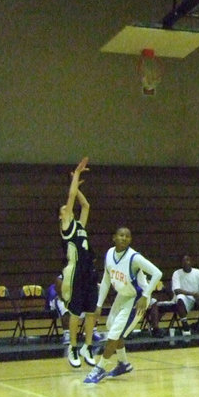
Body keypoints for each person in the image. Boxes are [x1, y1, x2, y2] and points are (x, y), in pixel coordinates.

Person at [83, 226, 162, 384]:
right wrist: (99, 304)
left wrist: (146, 295)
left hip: (137, 299)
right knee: (111, 326)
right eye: (121, 235)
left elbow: (157, 273)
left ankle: (100, 368)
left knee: (115, 334)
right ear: (114, 237)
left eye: (127, 236)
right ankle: (123, 363)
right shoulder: (110, 254)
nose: (124, 238)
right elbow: (106, 280)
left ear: (130, 240)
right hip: (123, 295)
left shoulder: (134, 257)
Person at [59, 157, 99, 368]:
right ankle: (73, 347)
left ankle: (88, 346)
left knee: (92, 311)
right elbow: (72, 197)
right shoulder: (66, 228)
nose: (67, 208)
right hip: (74, 273)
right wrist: (75, 176)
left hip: (89, 272)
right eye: (64, 209)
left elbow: (85, 204)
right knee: (75, 312)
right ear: (61, 217)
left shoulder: (80, 225)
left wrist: (76, 184)